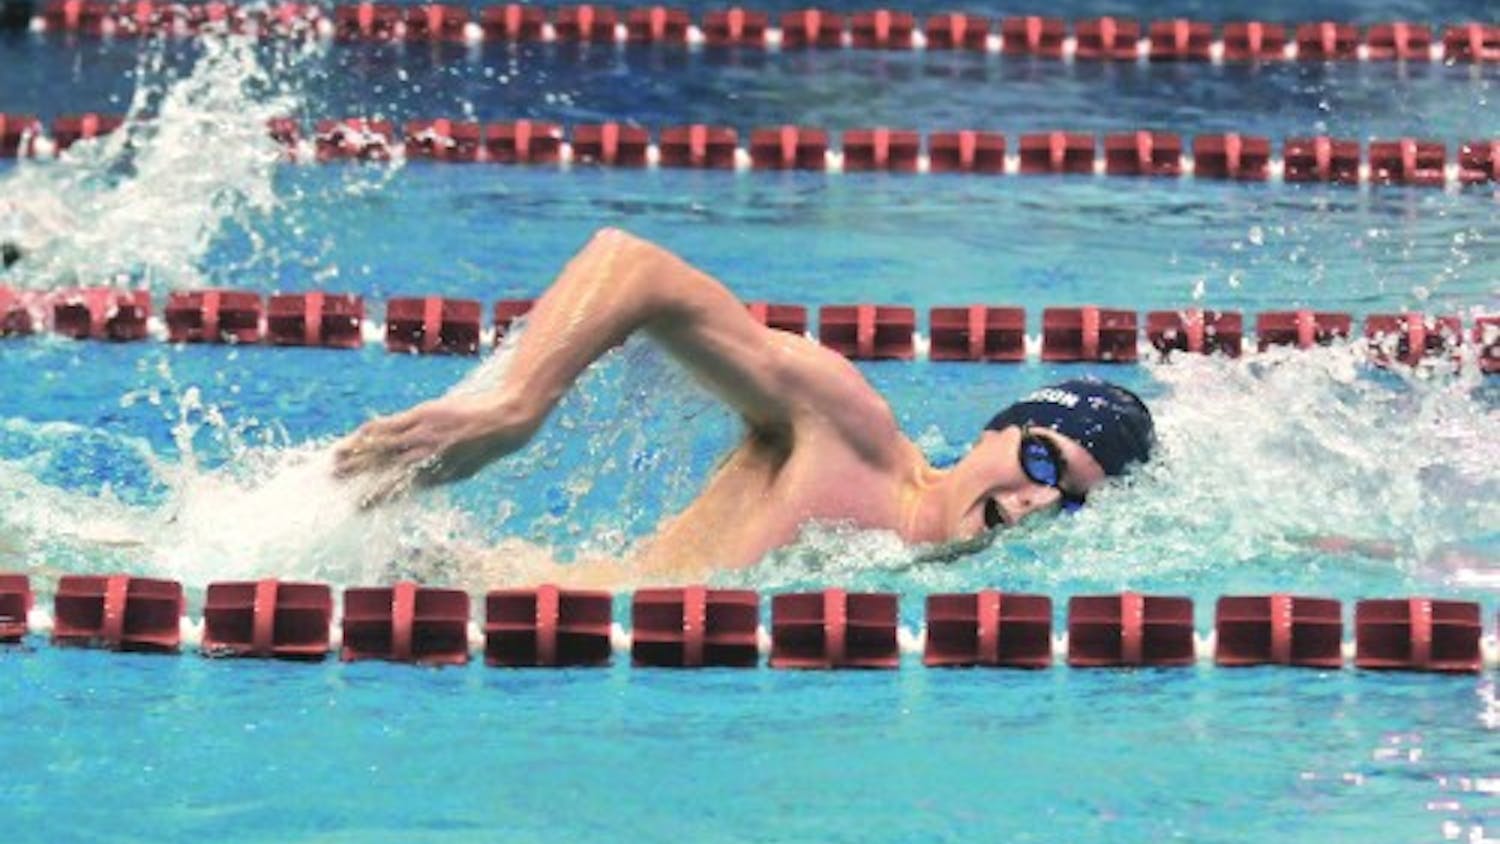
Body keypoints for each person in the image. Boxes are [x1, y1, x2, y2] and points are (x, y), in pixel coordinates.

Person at [334, 228, 1154, 584]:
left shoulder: (964, 591)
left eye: (1070, 499)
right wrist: (517, 409)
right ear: (993, 433)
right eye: (1041, 460)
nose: (1035, 501)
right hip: (480, 600)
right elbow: (636, 266)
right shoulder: (850, 435)